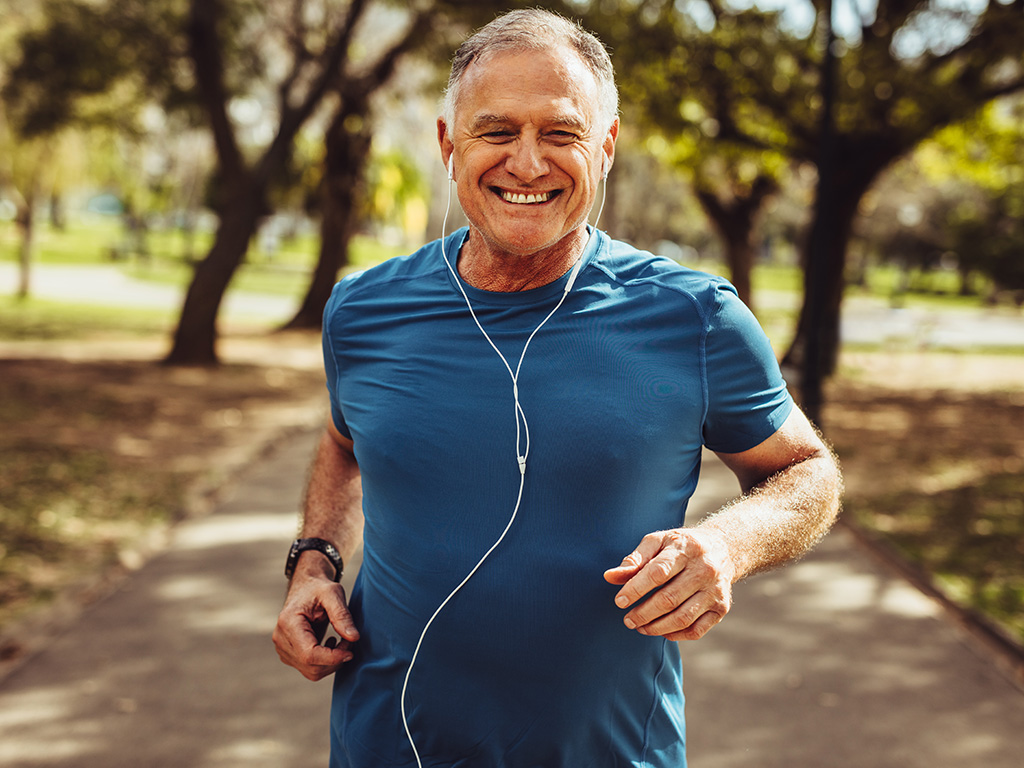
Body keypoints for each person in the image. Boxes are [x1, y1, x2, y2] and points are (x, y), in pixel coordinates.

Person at [273, 9, 842, 768]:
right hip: (383, 743)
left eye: (562, 134)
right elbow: (345, 443)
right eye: (497, 131)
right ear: (450, 144)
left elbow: (808, 471)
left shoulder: (696, 316)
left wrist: (724, 545)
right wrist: (315, 562)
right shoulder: (363, 310)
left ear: (604, 149)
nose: (529, 163)